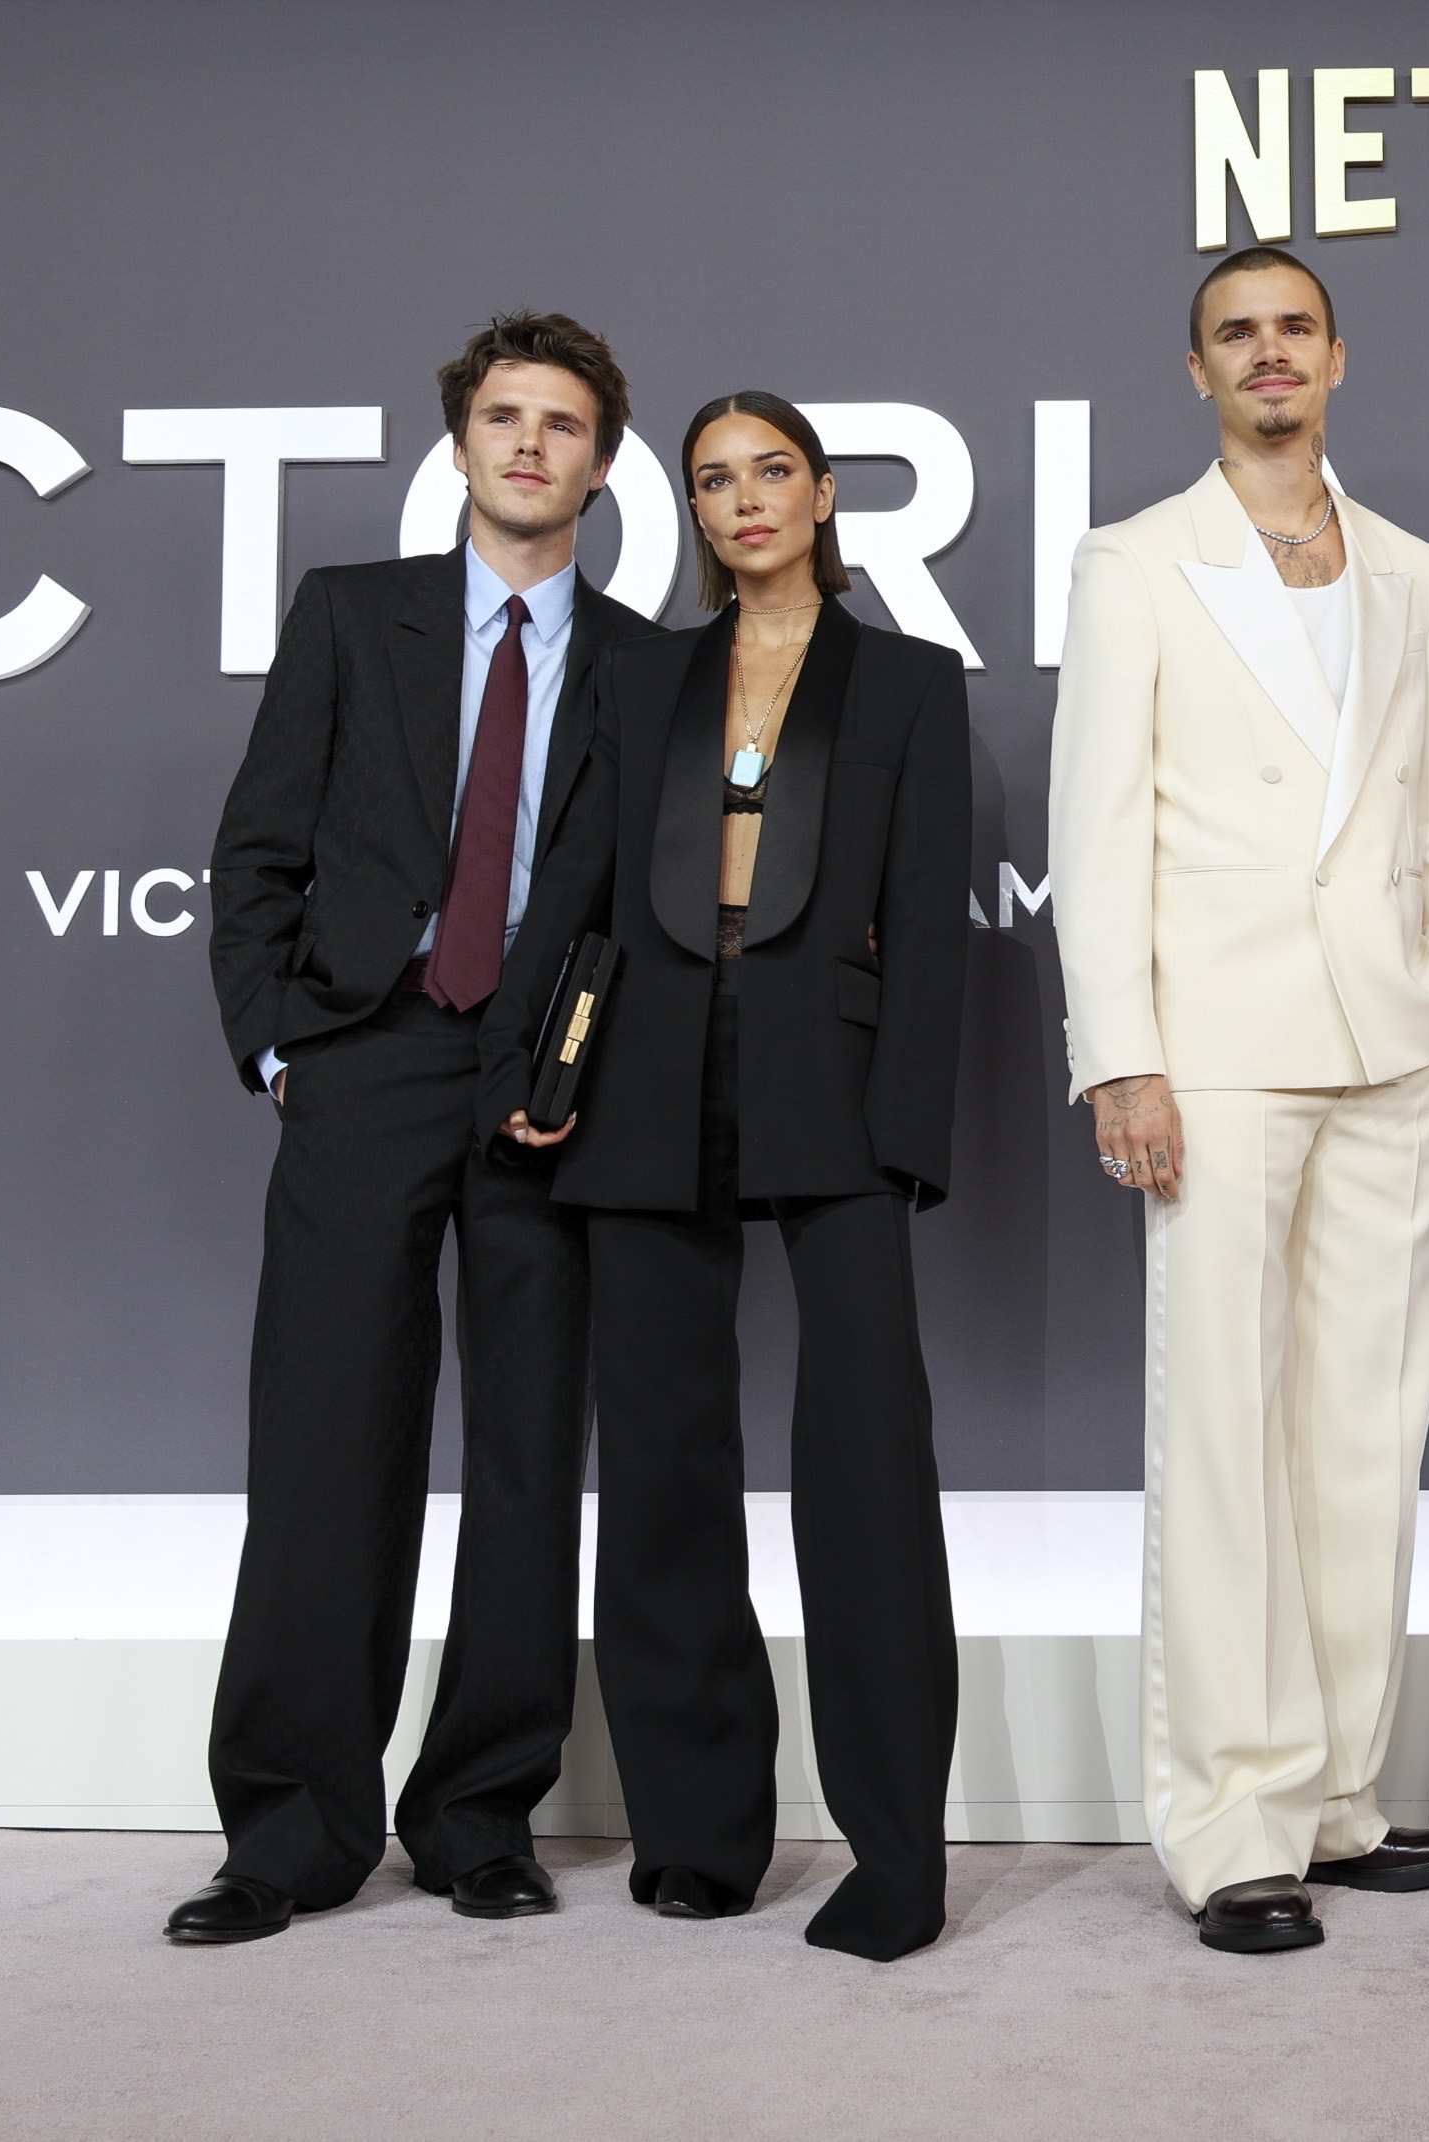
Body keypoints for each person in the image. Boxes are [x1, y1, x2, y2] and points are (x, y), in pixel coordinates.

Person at [180, 313, 658, 1945]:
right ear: (462, 444)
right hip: (364, 1057)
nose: (532, 445)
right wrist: (277, 1051)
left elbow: (643, 915)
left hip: (545, 1088)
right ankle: (290, 1832)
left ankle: (478, 1817)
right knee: (325, 1447)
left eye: (565, 424)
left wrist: (584, 1065)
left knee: (528, 1458)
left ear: (602, 463)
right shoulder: (348, 616)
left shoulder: (642, 658)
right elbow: (255, 856)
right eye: (506, 417)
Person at [485, 391, 972, 1962]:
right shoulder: (642, 673)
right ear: (690, 510)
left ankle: (898, 1854)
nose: (746, 499)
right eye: (715, 480)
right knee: (666, 1467)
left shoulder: (905, 681)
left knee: (866, 1470)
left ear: (824, 495)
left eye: (773, 472)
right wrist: (536, 1072)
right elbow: (578, 887)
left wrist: (907, 1134)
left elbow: (929, 921)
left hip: (827, 1075)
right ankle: (699, 1836)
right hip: (640, 1074)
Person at [1048, 246, 1429, 1954]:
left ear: (1338, 357)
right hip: (1214, 1050)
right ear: (1199, 372)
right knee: (1223, 1429)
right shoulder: (1134, 562)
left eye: (1294, 327)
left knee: (1367, 1425)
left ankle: (1339, 1794)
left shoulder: (1412, 569)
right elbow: (1095, 827)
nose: (1270, 353)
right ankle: (1231, 1818)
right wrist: (1121, 1050)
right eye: (1239, 333)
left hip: (1392, 1043)